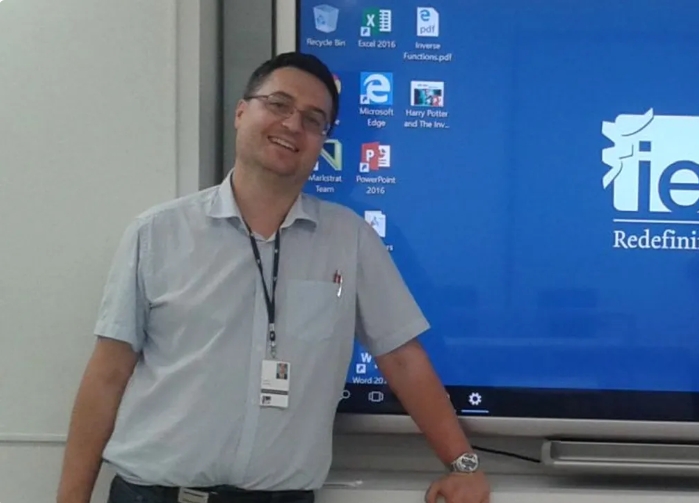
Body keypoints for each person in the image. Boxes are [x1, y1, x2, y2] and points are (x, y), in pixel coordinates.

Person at [55, 52, 491, 503]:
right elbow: (108, 373)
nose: (292, 125)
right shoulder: (157, 233)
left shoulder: (351, 240)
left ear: (323, 141)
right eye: (279, 105)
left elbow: (402, 358)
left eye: (313, 119)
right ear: (241, 112)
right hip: (155, 494)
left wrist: (464, 465)